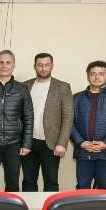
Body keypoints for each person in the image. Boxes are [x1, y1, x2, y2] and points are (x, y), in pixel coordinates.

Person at [70, 61, 106, 189]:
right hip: (84, 150)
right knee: (82, 187)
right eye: (93, 74)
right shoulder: (75, 99)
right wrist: (81, 142)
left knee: (104, 188)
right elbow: (69, 124)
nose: (96, 77)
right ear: (88, 76)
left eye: (101, 74)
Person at [0, 50, 33, 191]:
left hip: (14, 144)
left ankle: (11, 206)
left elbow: (28, 116)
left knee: (13, 183)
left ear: (13, 65)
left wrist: (27, 144)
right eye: (1, 62)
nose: (4, 66)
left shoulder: (22, 88)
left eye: (8, 62)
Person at [21, 53, 73, 192]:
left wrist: (62, 143)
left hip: (51, 143)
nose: (43, 68)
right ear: (35, 66)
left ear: (52, 66)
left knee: (51, 181)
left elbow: (68, 117)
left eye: (46, 65)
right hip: (28, 141)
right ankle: (29, 206)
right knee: (28, 181)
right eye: (40, 65)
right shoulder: (25, 86)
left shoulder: (62, 87)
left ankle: (50, 207)